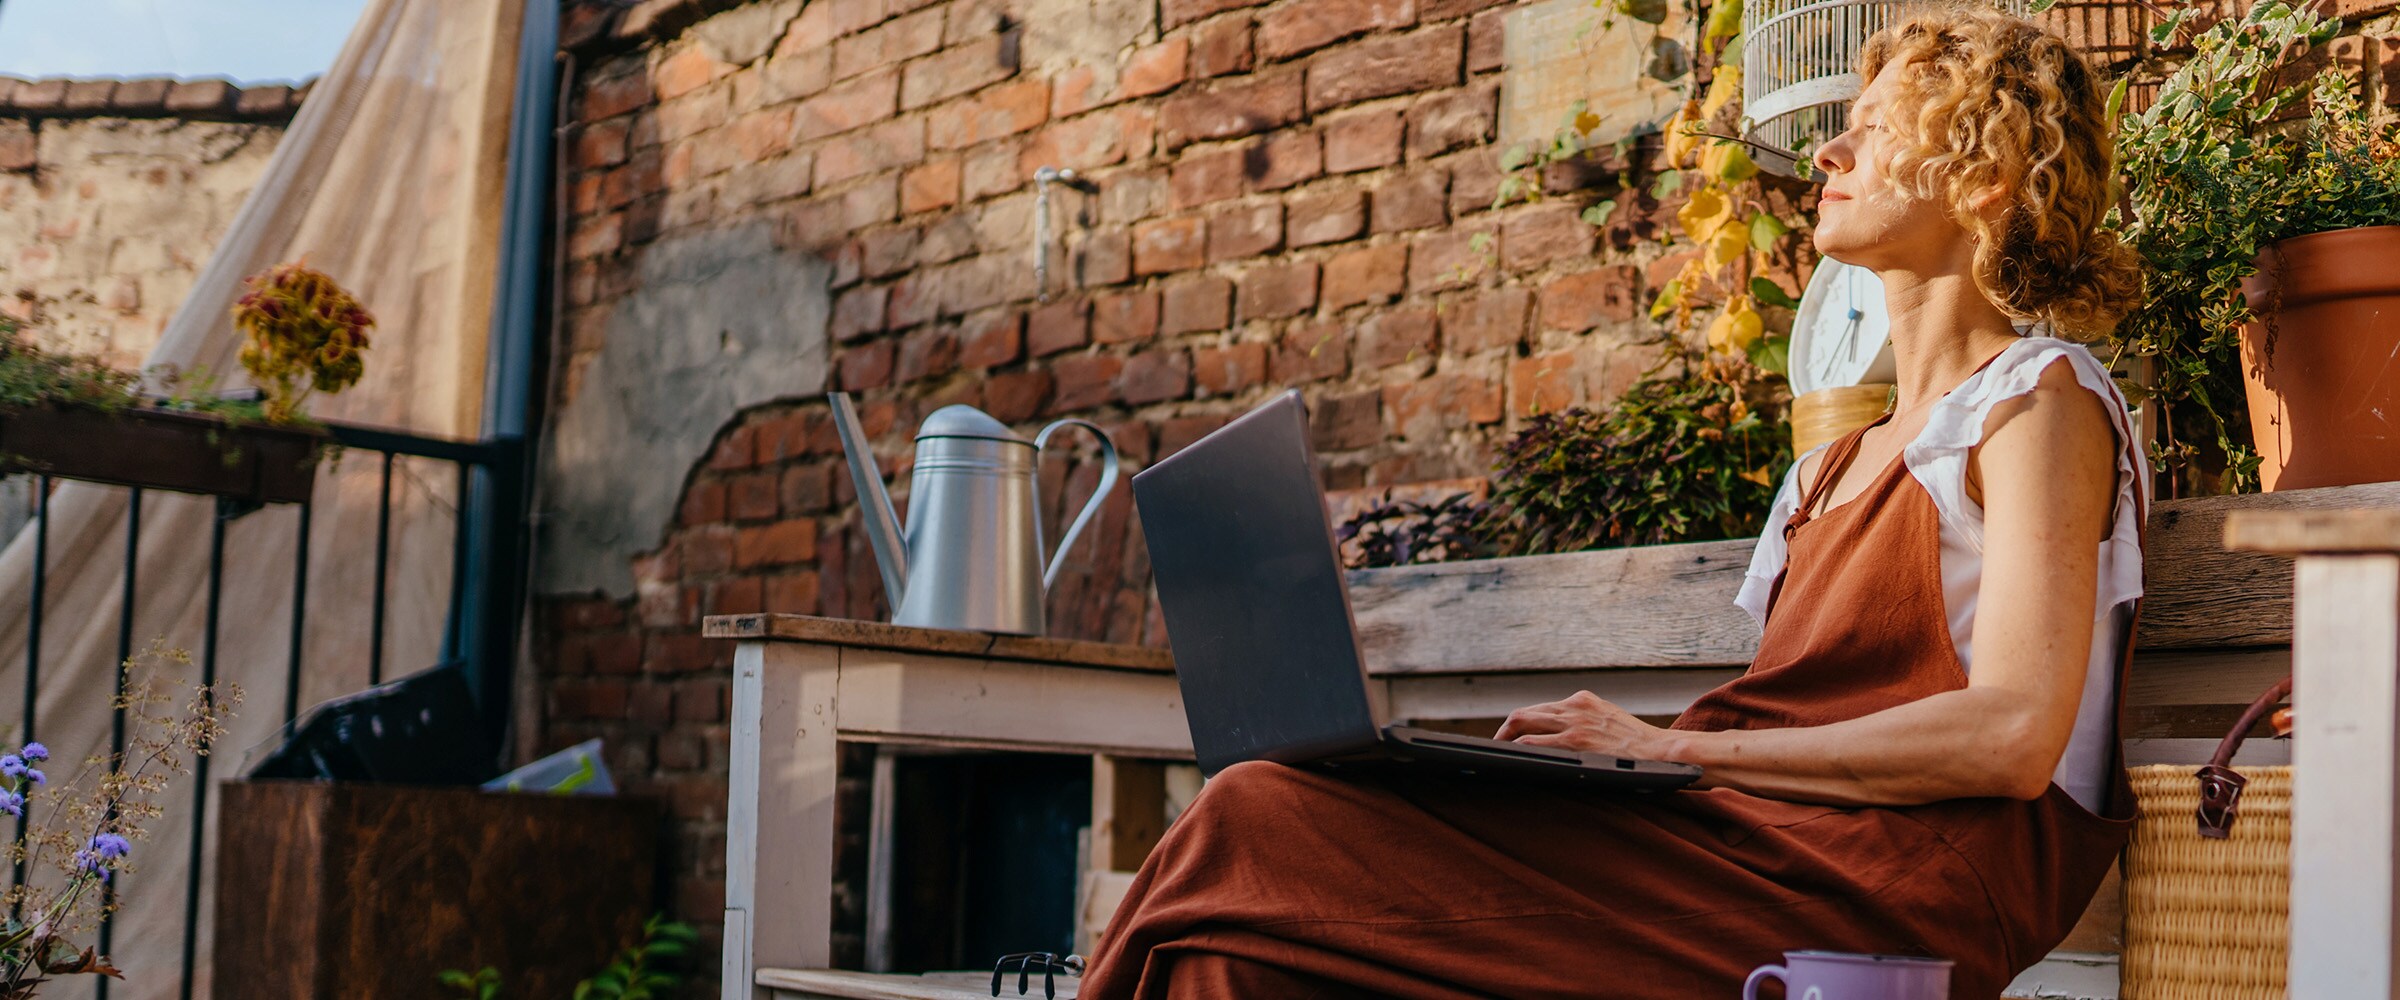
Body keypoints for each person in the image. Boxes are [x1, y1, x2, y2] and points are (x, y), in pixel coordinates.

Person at [1080, 7, 2149, 998]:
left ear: (1988, 175)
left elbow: (2010, 734)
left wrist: (1667, 749)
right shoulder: (1826, 469)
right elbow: (1801, 720)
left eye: (1873, 129)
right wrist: (1622, 767)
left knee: (1253, 817)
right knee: (1237, 951)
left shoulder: (2037, 400)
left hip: (1881, 889)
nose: (1829, 153)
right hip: (1743, 849)